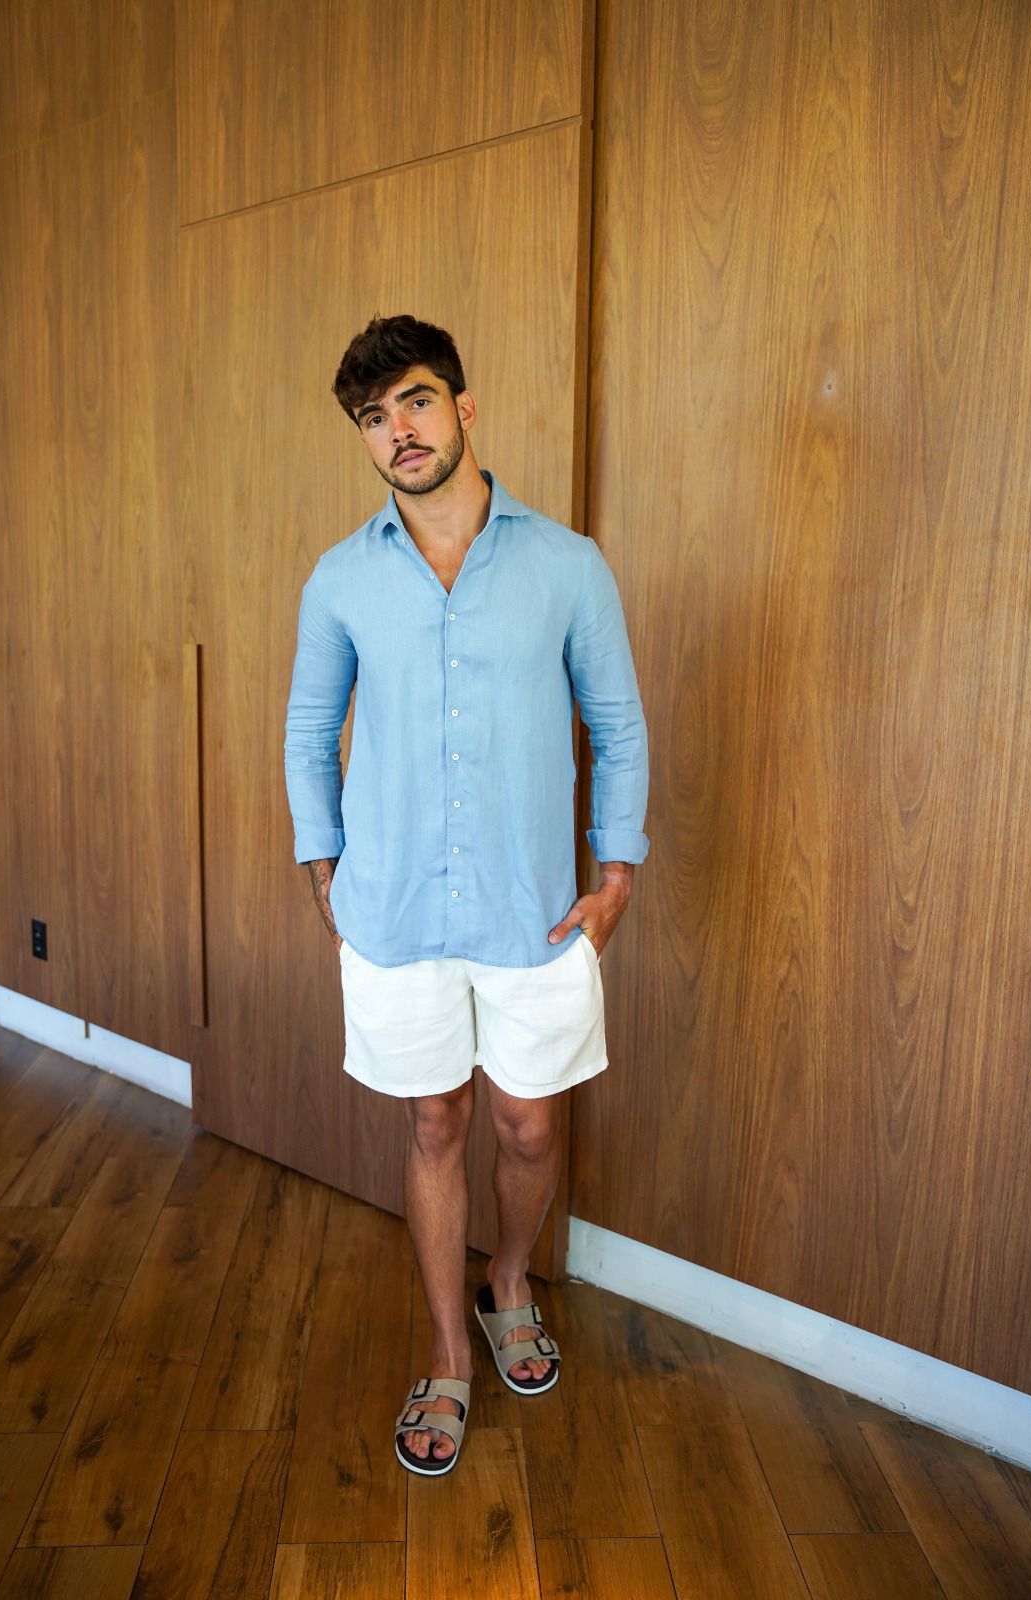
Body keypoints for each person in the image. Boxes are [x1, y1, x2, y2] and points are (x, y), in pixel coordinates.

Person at [283, 314, 649, 1477]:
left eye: (416, 401)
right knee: (434, 1122)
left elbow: (617, 725)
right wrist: (323, 863)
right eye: (373, 416)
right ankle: (449, 1351)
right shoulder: (340, 579)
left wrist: (616, 871)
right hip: (393, 913)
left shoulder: (566, 565)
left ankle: (508, 1278)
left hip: (533, 908)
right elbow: (308, 732)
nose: (397, 430)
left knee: (527, 1122)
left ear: (463, 407)